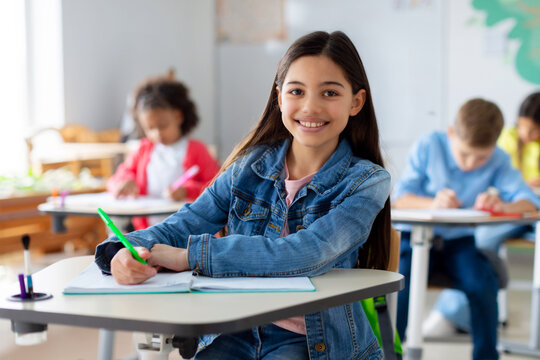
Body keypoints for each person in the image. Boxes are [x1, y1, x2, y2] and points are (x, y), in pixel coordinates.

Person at [95, 31, 392, 360]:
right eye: (297, 91)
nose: (311, 106)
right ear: (279, 98)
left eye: (330, 92)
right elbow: (189, 221)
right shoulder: (248, 166)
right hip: (231, 327)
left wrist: (188, 257)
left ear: (356, 102)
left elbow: (307, 253)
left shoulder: (367, 181)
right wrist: (127, 249)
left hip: (310, 340)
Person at [392, 98, 540, 360]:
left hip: (458, 242)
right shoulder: (429, 145)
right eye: (463, 154)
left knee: (483, 282)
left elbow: (531, 202)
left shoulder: (499, 159)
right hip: (411, 241)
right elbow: (400, 198)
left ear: (494, 146)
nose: (470, 163)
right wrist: (433, 202)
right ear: (451, 133)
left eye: (480, 157)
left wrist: (503, 206)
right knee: (398, 289)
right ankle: (390, 354)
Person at [107, 77, 220, 230]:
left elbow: (217, 188)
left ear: (178, 116)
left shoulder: (197, 149)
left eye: (163, 126)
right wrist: (124, 182)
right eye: (150, 128)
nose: (157, 133)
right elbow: (116, 179)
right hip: (147, 230)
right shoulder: (143, 149)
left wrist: (187, 190)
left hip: (187, 232)